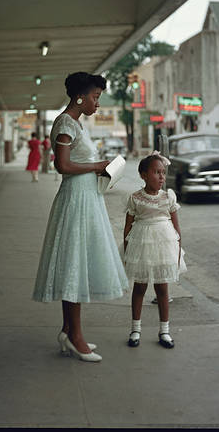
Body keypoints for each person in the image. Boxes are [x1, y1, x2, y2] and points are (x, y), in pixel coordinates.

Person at [32, 72, 129, 362]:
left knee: (77, 264)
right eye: (95, 97)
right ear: (80, 97)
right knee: (74, 264)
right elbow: (61, 166)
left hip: (87, 197)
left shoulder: (75, 124)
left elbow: (76, 161)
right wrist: (98, 164)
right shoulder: (65, 123)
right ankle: (75, 336)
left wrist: (101, 168)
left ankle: (68, 330)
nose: (97, 103)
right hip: (76, 199)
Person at [122, 151, 186, 349]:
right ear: (143, 175)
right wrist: (127, 252)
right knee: (139, 287)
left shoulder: (168, 197)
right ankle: (135, 329)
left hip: (164, 246)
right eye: (156, 172)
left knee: (162, 288)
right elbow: (128, 226)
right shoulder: (135, 198)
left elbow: (176, 229)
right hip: (141, 245)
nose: (161, 177)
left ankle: (164, 330)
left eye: (163, 173)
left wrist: (177, 252)